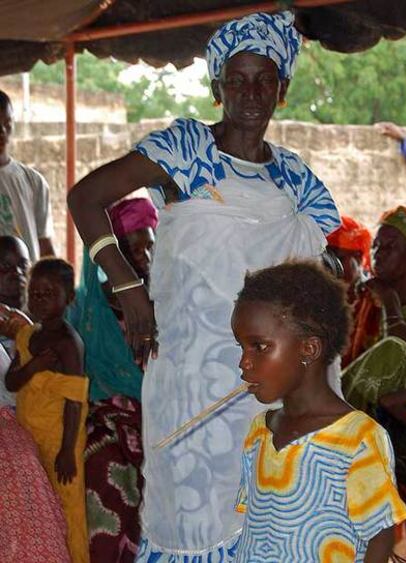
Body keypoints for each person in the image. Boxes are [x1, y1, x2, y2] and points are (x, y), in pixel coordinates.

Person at [68, 12, 341, 561]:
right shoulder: (186, 150)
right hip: (193, 383)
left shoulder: (294, 178)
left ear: (282, 89)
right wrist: (126, 286)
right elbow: (85, 197)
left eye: (264, 79)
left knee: (271, 513)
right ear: (217, 87)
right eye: (236, 80)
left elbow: (320, 270)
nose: (250, 93)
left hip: (271, 387)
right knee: (194, 517)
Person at [232, 260, 406, 562]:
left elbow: (380, 537)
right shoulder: (260, 430)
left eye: (259, 347)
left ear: (308, 349)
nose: (243, 363)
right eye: (241, 347)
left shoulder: (358, 439)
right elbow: (257, 527)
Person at [68, 197, 157, 563]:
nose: (145, 258)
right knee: (104, 465)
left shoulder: (165, 300)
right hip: (104, 415)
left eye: (149, 246)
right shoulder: (87, 308)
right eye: (133, 250)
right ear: (113, 255)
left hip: (159, 415)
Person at [5, 258, 90, 563]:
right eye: (35, 292)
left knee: (68, 510)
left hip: (59, 439)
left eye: (49, 293)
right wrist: (34, 366)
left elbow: (74, 400)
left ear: (69, 298)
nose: (40, 299)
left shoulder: (69, 344)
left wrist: (68, 449)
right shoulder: (27, 336)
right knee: (41, 508)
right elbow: (12, 381)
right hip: (29, 436)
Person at [341, 205, 406, 559]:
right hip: (368, 441)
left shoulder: (382, 299)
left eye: (390, 247)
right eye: (377, 246)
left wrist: (391, 304)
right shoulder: (365, 297)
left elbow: (400, 351)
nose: (378, 254)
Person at [0, 90, 55, 261]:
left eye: (7, 123)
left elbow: (44, 244)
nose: (2, 131)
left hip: (24, 286)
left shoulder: (34, 182)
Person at [327, 216, 372, 366]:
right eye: (326, 260)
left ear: (358, 257)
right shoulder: (318, 298)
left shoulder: (374, 299)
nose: (331, 267)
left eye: (338, 259)